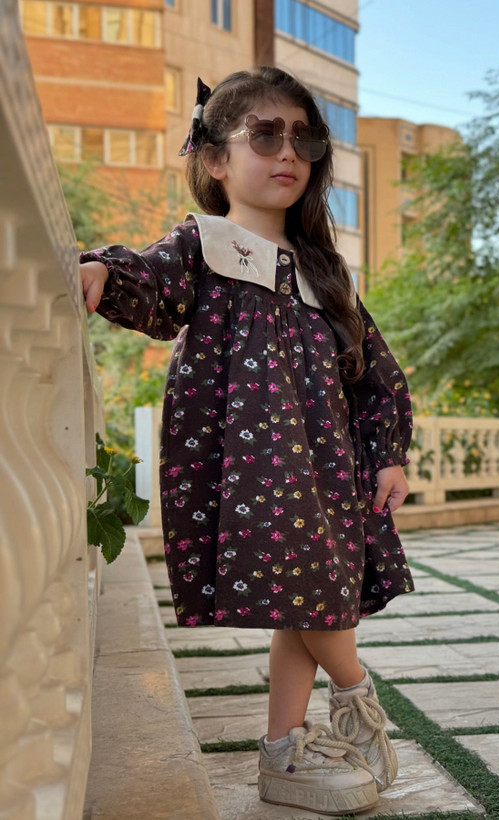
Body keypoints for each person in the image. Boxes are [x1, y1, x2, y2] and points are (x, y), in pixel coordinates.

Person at [80, 67, 414, 815]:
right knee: (317, 597)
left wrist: (389, 452)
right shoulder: (204, 246)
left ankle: (281, 754)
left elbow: (372, 369)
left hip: (329, 468)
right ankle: (359, 700)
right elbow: (151, 285)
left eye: (304, 138)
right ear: (214, 158)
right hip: (253, 466)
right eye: (264, 135)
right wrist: (103, 268)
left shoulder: (325, 272)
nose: (287, 151)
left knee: (311, 602)